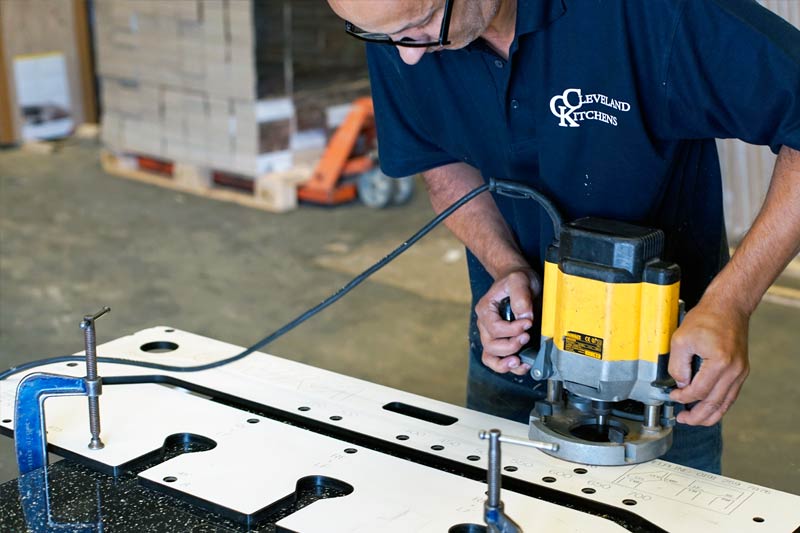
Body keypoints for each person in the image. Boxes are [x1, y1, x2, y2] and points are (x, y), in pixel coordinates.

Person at [326, 0, 800, 473]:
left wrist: (731, 302)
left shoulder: (651, 13)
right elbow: (436, 157)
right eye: (383, 36)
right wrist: (504, 264)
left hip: (665, 365)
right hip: (521, 349)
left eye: (423, 23)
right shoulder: (396, 25)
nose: (408, 55)